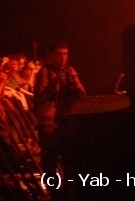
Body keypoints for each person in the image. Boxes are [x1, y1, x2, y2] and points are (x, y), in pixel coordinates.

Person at [34, 42, 85, 200]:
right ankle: (56, 196)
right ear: (51, 55)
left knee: (70, 160)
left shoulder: (70, 70)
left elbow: (82, 94)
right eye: (59, 54)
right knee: (49, 164)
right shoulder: (44, 72)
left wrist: (73, 84)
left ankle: (69, 195)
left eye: (66, 54)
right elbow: (38, 99)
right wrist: (54, 84)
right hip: (49, 123)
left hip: (66, 121)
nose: (63, 57)